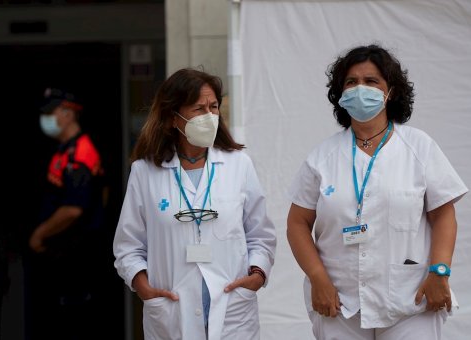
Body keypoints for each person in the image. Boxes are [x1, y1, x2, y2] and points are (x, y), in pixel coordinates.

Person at [286, 44, 468, 340]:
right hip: (338, 301)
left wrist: (440, 271)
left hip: (411, 298)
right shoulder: (322, 157)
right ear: (340, 94)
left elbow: (443, 215)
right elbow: (297, 223)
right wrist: (318, 279)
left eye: (371, 81)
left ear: (390, 91)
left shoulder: (419, 147)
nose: (361, 89)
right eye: (351, 82)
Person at [112, 68, 277, 340]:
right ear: (171, 118)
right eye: (198, 109)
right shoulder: (145, 171)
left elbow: (261, 236)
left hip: (233, 310)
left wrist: (257, 275)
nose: (209, 116)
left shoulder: (238, 164)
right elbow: (128, 246)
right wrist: (145, 289)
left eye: (213, 107)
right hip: (171, 312)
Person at [23, 87, 107, 339]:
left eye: (53, 113)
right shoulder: (64, 149)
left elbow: (73, 209)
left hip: (75, 255)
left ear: (69, 114)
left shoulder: (80, 152)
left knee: (72, 321)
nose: (47, 119)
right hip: (64, 254)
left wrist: (39, 234)